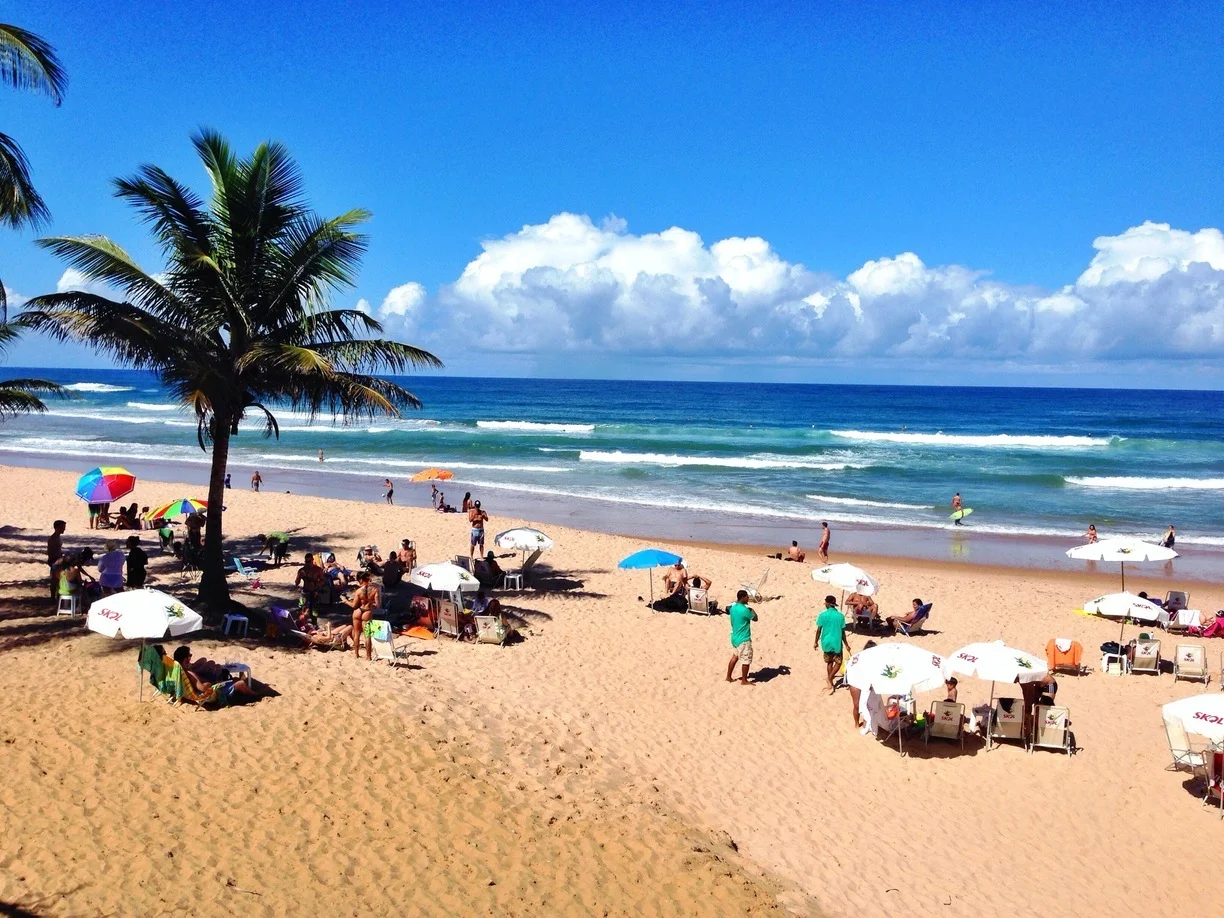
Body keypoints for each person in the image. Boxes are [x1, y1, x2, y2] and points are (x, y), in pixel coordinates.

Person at [172, 646, 259, 704]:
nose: (191, 657)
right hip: (211, 693)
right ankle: (256, 696)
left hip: (203, 690)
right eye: (190, 655)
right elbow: (202, 688)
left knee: (234, 680)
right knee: (240, 683)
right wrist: (211, 683)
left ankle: (247, 693)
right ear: (185, 659)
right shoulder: (189, 673)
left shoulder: (178, 671)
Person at [814, 595, 851, 694]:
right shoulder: (840, 616)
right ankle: (830, 678)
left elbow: (818, 630)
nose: (825, 604)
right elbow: (843, 633)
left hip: (825, 642)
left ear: (828, 603)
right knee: (838, 662)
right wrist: (846, 644)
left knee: (829, 662)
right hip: (836, 642)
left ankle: (830, 683)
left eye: (825, 602)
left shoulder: (822, 615)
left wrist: (815, 642)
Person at [725, 590, 758, 686]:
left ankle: (728, 677)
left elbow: (728, 610)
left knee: (735, 657)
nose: (748, 598)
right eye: (747, 597)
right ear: (742, 597)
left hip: (734, 637)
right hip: (744, 638)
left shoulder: (733, 608)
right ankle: (744, 680)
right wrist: (752, 610)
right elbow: (755, 618)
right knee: (746, 660)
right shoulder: (745, 610)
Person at [348, 571, 381, 660]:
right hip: (367, 612)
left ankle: (356, 654)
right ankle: (368, 656)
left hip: (358, 611)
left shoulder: (358, 591)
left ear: (361, 580)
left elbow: (354, 605)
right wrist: (371, 604)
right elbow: (378, 605)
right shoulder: (375, 589)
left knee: (357, 634)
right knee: (367, 635)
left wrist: (346, 601)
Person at [847, 639, 879, 728]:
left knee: (867, 704)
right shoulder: (858, 657)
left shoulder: (869, 659)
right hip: (855, 681)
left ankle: (865, 723)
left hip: (864, 682)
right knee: (857, 705)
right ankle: (857, 723)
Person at [294, 553, 328, 628]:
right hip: (305, 591)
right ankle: (302, 624)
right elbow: (297, 582)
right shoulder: (302, 570)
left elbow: (323, 580)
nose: (308, 563)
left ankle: (314, 624)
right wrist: (299, 577)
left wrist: (317, 584)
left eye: (309, 561)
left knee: (314, 610)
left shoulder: (318, 570)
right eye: (306, 562)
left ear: (312, 560)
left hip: (315, 592)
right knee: (302, 609)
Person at [47, 519, 66, 600]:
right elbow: (50, 552)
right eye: (62, 527)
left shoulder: (57, 537)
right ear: (57, 528)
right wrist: (55, 561)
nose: (64, 529)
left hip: (58, 559)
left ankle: (57, 596)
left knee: (58, 579)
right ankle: (53, 597)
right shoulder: (53, 539)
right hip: (55, 560)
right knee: (55, 580)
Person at [468, 499, 489, 563]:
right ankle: (471, 556)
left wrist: (483, 516)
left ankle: (481, 556)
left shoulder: (482, 512)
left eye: (478, 506)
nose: (477, 507)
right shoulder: (471, 511)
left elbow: (487, 519)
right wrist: (474, 516)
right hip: (474, 530)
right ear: (475, 506)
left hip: (481, 530)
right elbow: (470, 520)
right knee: (473, 544)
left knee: (481, 544)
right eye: (476, 506)